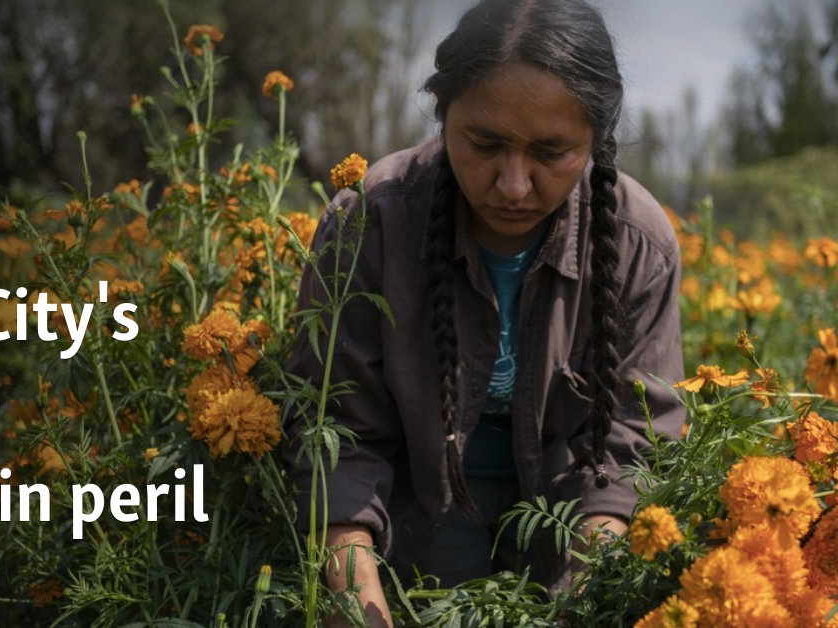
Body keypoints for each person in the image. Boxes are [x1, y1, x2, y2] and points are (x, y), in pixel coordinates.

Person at [280, 0, 687, 625]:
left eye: (551, 153)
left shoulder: (638, 242)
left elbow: (630, 446)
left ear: (596, 142)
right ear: (444, 119)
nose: (514, 184)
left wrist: (589, 593)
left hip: (568, 520)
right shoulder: (373, 222)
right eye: (485, 144)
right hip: (414, 510)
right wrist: (354, 601)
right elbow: (338, 434)